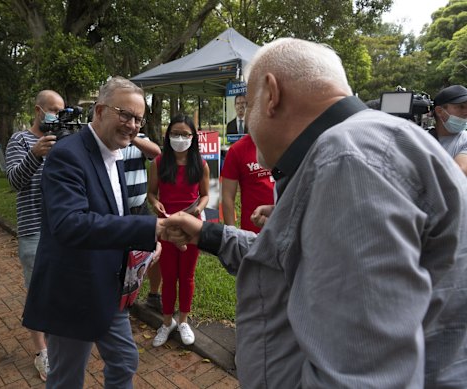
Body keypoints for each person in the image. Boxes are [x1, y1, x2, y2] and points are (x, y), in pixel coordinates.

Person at [161, 38, 467, 388]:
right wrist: (208, 233)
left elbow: (361, 375)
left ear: (272, 94)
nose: (246, 121)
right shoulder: (355, 148)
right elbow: (294, 261)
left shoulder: (348, 161)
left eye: (250, 106)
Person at [22, 77, 164, 388]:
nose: (132, 125)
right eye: (124, 114)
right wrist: (148, 227)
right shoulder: (67, 154)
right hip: (74, 290)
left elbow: (113, 217)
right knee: (67, 378)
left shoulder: (117, 153)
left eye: (138, 119)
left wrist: (143, 248)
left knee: (125, 360)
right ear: (99, 111)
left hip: (108, 287)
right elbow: (70, 224)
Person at [5, 90, 63, 382]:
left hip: (60, 227)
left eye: (60, 110)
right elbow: (14, 180)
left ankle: (56, 343)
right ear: (38, 110)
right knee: (37, 291)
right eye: (52, 109)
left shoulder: (62, 139)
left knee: (57, 289)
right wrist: (35, 154)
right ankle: (41, 352)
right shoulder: (20, 140)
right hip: (33, 228)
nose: (56, 115)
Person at [147, 113, 209, 347]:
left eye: (185, 134)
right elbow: (151, 193)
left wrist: (197, 210)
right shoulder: (159, 162)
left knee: (187, 276)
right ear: (168, 135)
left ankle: (183, 321)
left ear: (193, 137)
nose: (180, 138)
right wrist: (155, 203)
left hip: (192, 227)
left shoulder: (200, 164)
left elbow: (204, 196)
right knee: (169, 275)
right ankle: (166, 323)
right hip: (166, 225)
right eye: (175, 134)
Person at [122, 131, 162, 312]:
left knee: (155, 250)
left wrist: (132, 137)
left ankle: (154, 295)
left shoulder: (139, 138)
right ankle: (120, 296)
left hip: (140, 208)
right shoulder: (105, 140)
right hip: (116, 212)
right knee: (119, 256)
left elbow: (156, 152)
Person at [220, 131, 274, 233]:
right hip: (253, 231)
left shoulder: (285, 144)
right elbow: (227, 197)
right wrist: (232, 235)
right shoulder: (237, 150)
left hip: (286, 227)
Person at [431, 84, 467, 175]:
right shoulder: (422, 138)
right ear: (440, 111)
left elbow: (459, 172)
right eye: (461, 107)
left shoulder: (464, 139)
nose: (465, 112)